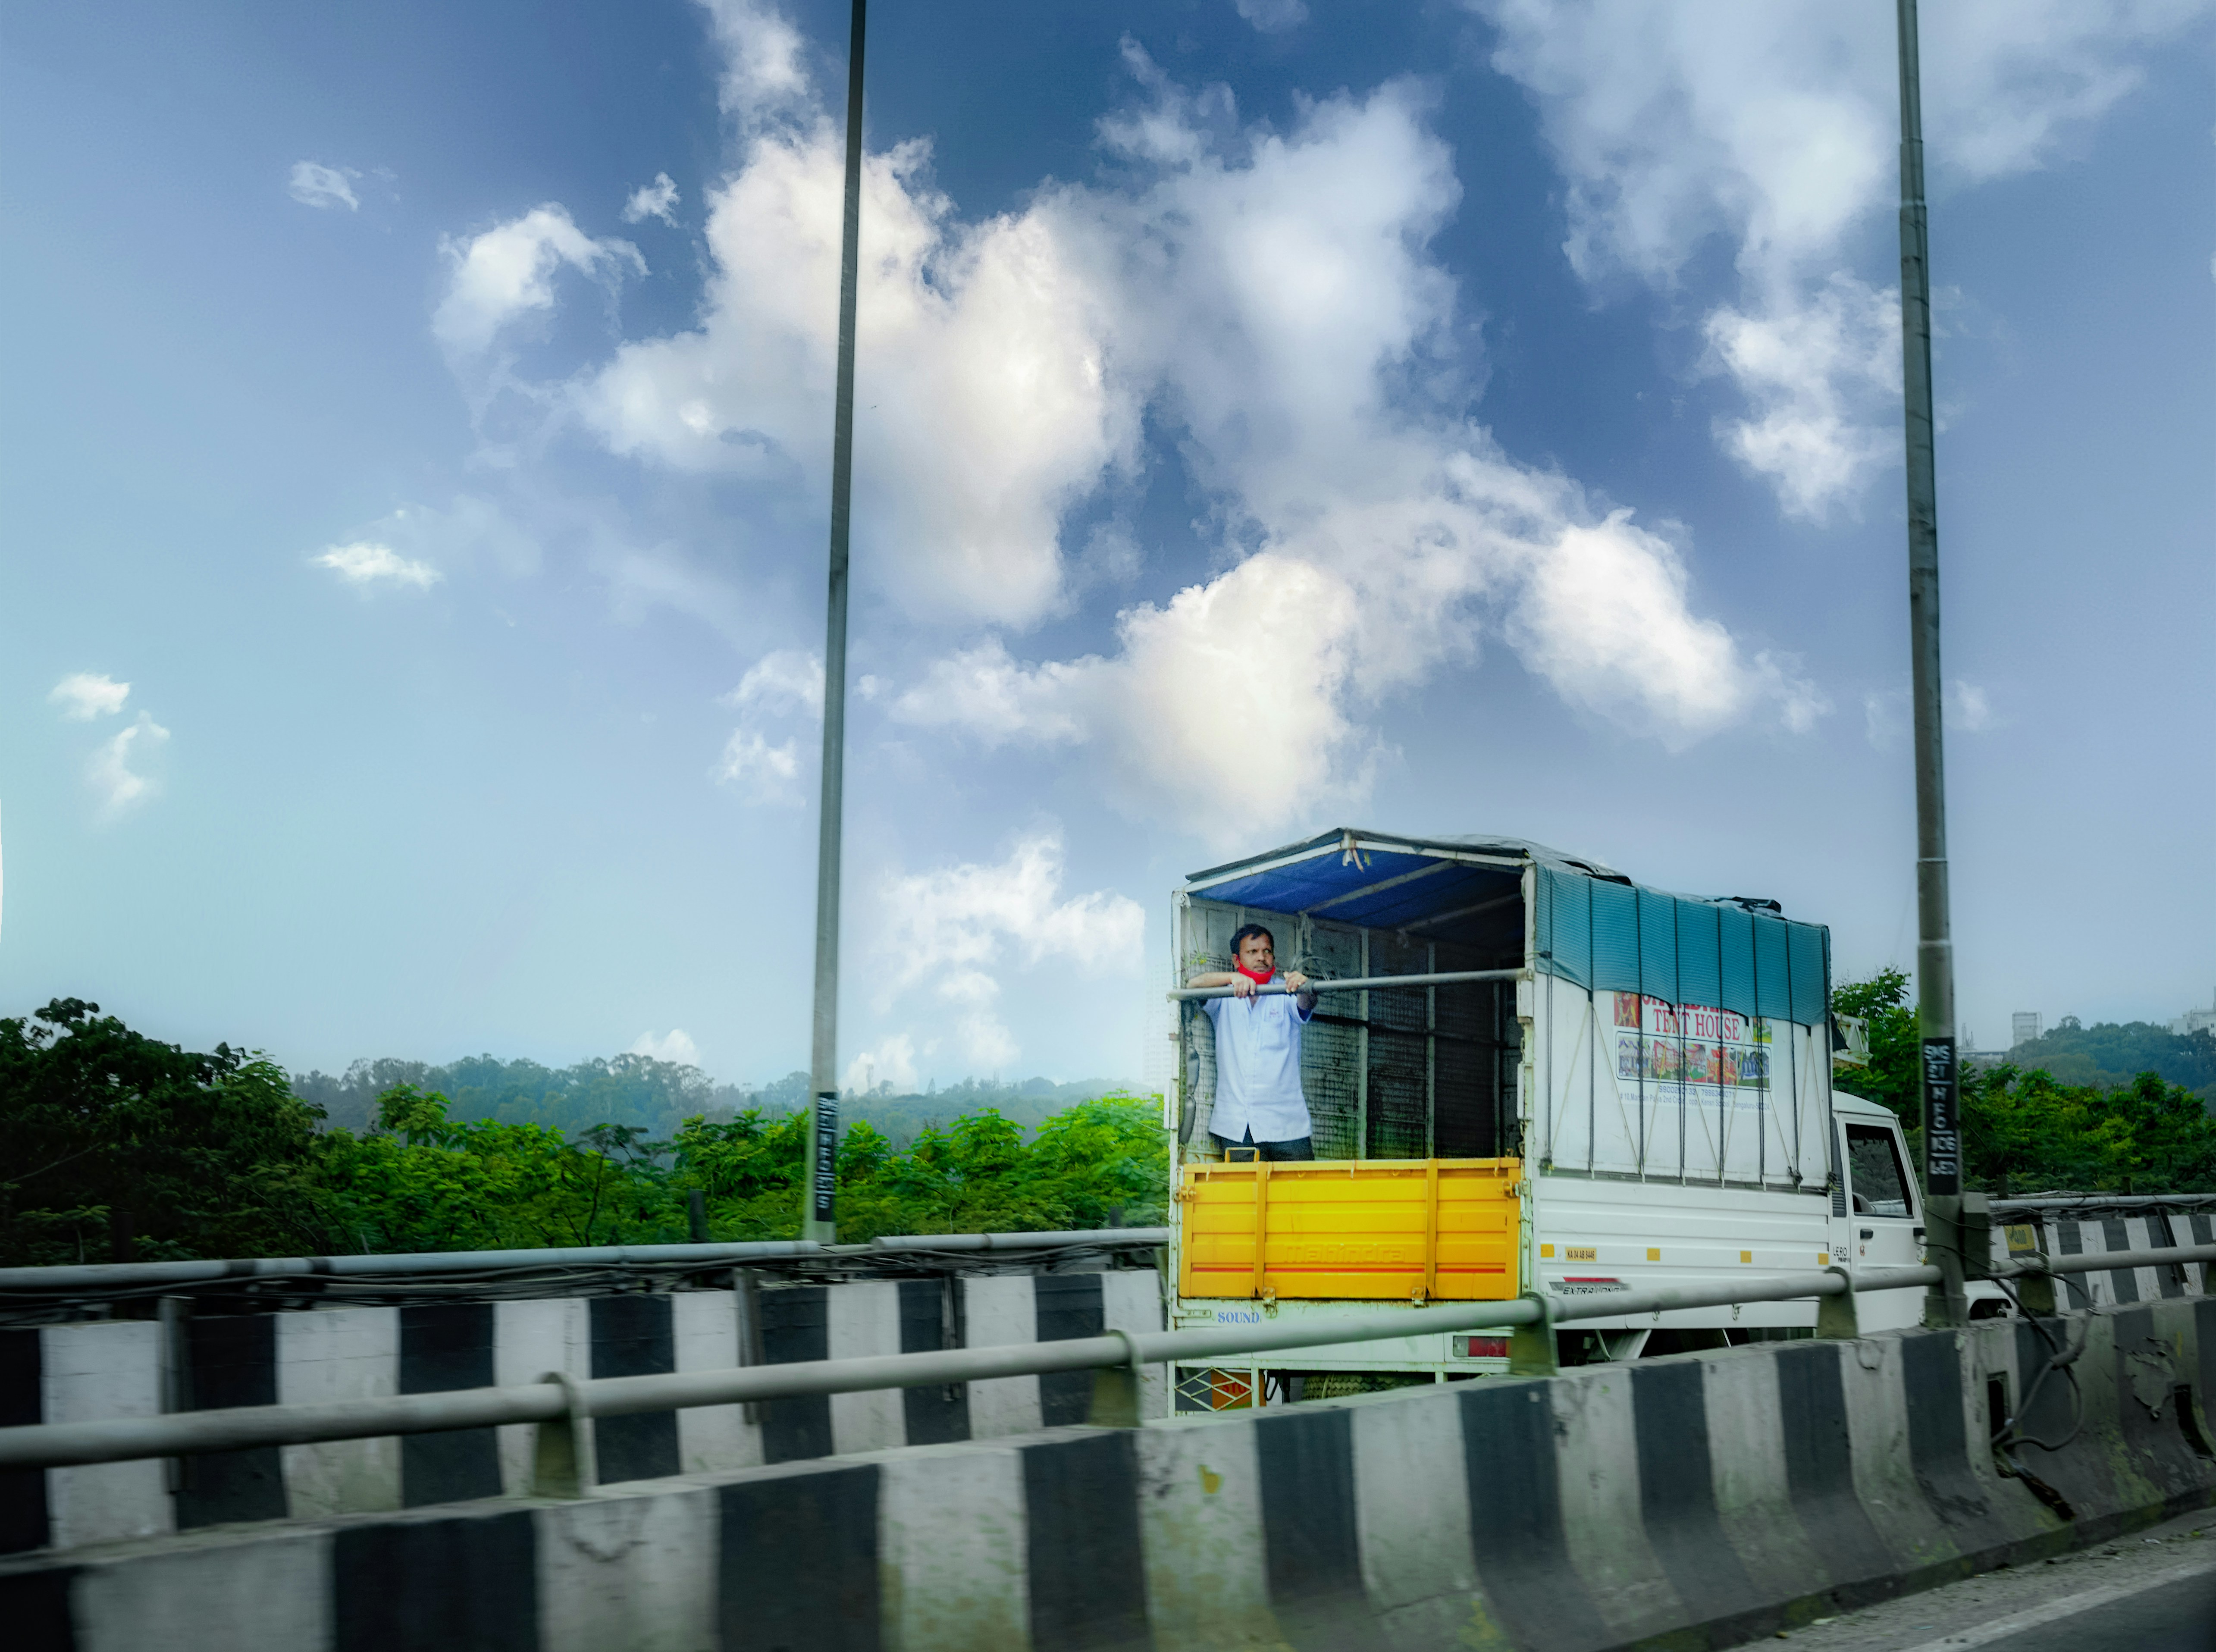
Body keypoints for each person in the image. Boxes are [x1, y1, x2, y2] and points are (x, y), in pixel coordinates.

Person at [1187, 922, 1320, 1160]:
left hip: (1287, 1124)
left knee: (1301, 1195)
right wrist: (1231, 977)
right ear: (1237, 960)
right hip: (1236, 1125)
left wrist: (1304, 985)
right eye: (1253, 952)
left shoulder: (1285, 991)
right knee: (1245, 1196)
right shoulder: (1224, 995)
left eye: (1267, 951)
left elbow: (1307, 1003)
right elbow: (1192, 986)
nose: (1262, 957)